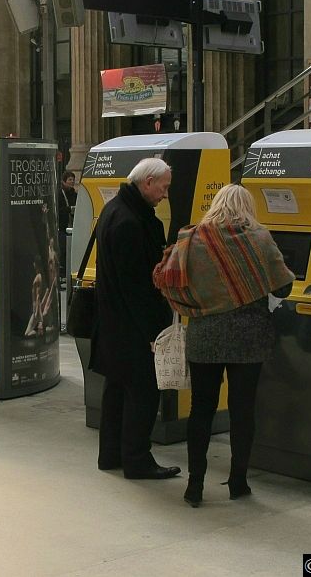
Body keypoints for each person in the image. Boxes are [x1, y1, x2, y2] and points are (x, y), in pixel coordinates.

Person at [153, 184, 294, 507]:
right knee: (243, 411)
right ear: (247, 206)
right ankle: (238, 481)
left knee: (201, 409)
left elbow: (168, 280)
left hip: (205, 337)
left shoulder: (193, 239)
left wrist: (195, 306)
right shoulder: (260, 238)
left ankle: (195, 485)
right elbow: (284, 287)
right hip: (249, 337)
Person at [90, 157, 181, 480]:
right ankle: (138, 460)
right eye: (164, 187)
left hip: (113, 323)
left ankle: (110, 455)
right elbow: (137, 287)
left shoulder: (114, 211)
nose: (165, 194)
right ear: (147, 183)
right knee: (142, 394)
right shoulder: (131, 222)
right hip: (133, 327)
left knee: (116, 391)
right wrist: (153, 332)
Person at [57, 170, 77, 278]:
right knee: (64, 249)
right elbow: (58, 210)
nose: (72, 181)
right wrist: (69, 209)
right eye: (70, 179)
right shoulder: (60, 194)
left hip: (73, 225)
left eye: (73, 179)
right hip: (63, 226)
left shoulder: (74, 194)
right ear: (64, 181)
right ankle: (63, 272)